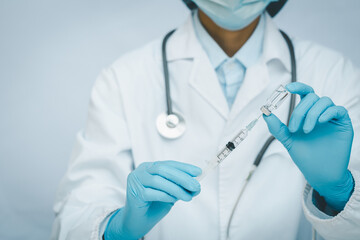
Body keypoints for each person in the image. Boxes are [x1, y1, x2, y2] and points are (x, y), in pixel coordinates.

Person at [51, 0, 360, 239]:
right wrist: (117, 229)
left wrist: (338, 192)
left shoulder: (335, 74)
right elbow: (75, 215)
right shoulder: (124, 78)